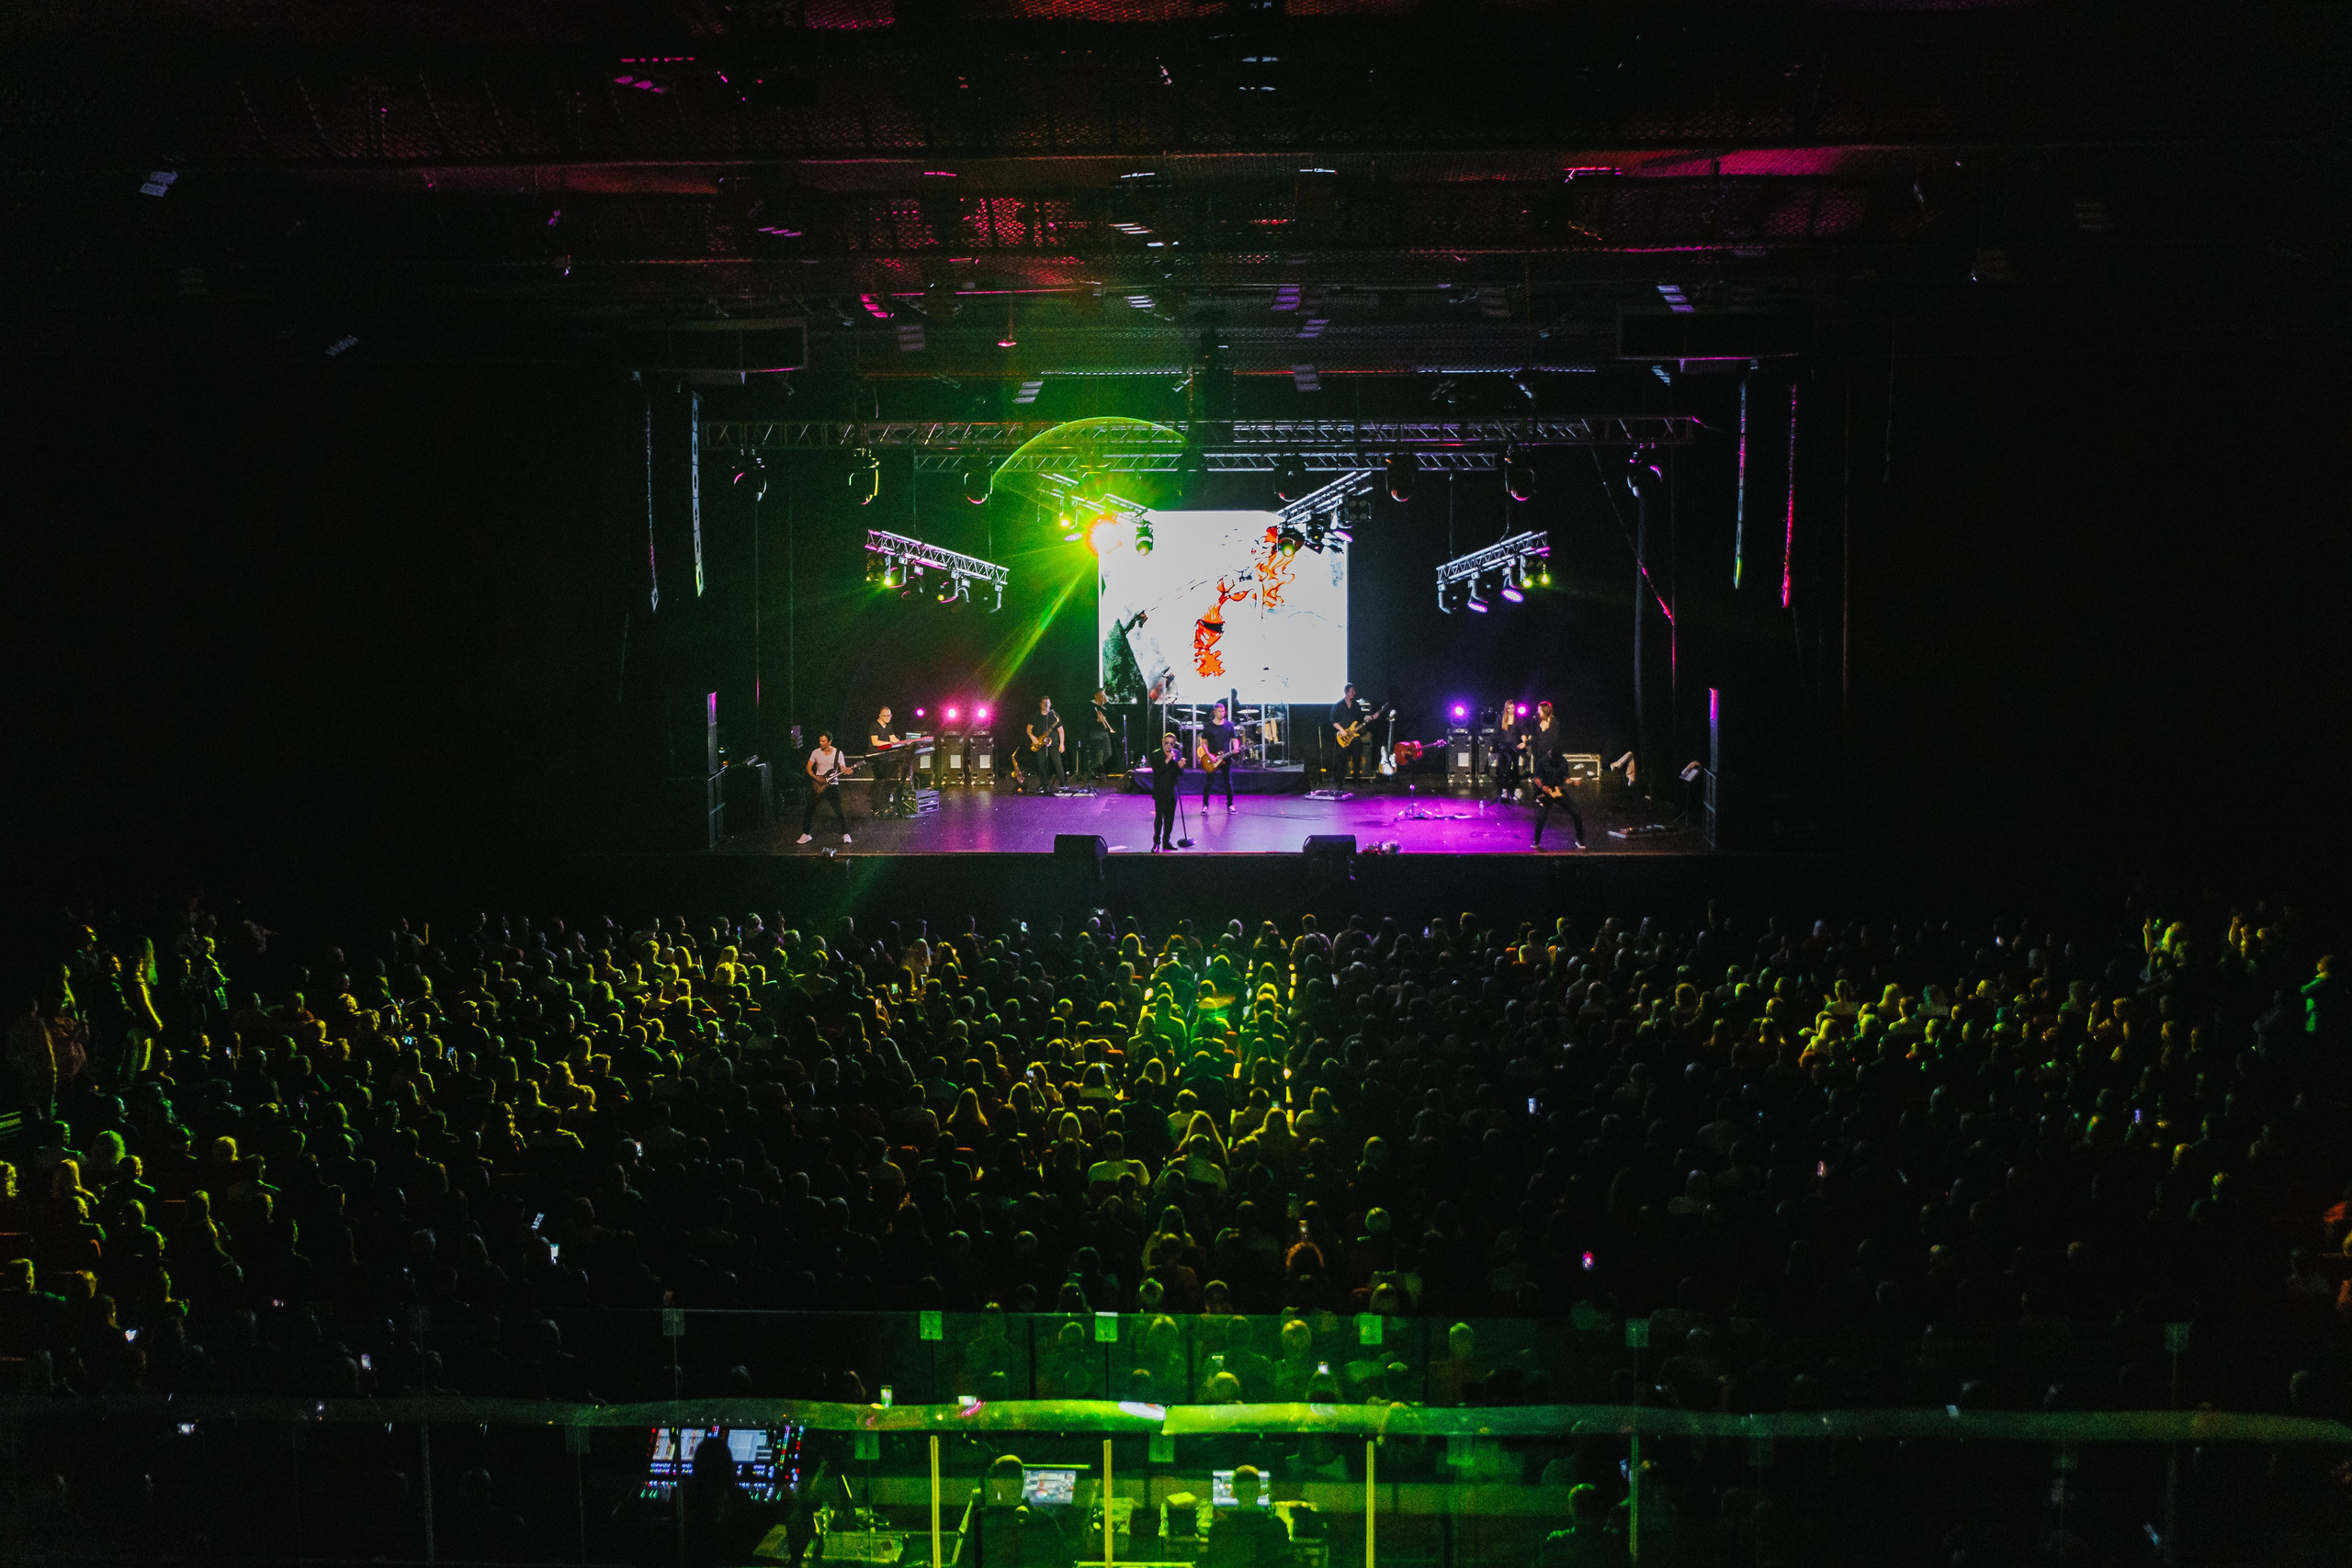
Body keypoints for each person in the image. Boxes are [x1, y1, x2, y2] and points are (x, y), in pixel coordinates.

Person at [953, 1454, 1072, 1568]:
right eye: (1006, 1480)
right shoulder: (1043, 1520)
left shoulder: (984, 1520)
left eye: (1014, 1479)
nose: (1012, 1485)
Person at [1203, 1465, 1290, 1568]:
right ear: (1261, 1492)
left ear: (1232, 1494)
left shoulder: (1218, 1527)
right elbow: (1286, 1561)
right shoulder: (1276, 1525)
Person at [798, 732, 854, 844]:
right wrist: (815, 778)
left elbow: (842, 767)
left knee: (839, 810)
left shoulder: (838, 753)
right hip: (818, 786)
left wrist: (847, 771)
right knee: (809, 809)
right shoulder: (816, 752)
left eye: (823, 741)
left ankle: (846, 834)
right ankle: (806, 834)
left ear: (829, 742)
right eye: (820, 741)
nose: (821, 743)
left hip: (832, 785)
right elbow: (808, 768)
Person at [1531, 748, 1584, 851]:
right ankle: (1536, 842)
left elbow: (1566, 779)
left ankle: (1580, 840)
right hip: (1546, 793)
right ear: (1549, 754)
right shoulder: (1542, 762)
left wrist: (1573, 783)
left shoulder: (1563, 761)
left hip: (1559, 791)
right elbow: (1536, 778)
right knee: (1541, 817)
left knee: (1576, 813)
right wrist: (1542, 786)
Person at [1148, 732, 1187, 852]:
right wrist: (1168, 759)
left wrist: (1180, 766)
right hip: (1161, 790)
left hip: (1172, 789)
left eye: (1171, 744)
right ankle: (1156, 842)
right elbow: (1157, 771)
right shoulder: (1156, 754)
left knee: (1170, 818)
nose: (1169, 746)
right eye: (1167, 743)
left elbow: (1179, 773)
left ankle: (1166, 841)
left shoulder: (1177, 753)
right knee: (1159, 817)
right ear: (1162, 742)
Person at [1200, 702, 1241, 811]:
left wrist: (1236, 747)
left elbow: (1234, 739)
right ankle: (1205, 805)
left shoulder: (1229, 725)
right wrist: (1209, 755)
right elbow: (1203, 743)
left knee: (1228, 782)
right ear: (1214, 712)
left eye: (1223, 711)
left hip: (1226, 758)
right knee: (1208, 783)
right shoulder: (1208, 726)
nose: (1221, 714)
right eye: (1219, 711)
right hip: (1212, 759)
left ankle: (1230, 805)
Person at [866, 705, 903, 812]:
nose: (888, 718)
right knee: (881, 779)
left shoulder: (889, 725)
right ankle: (876, 805)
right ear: (880, 715)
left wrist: (903, 744)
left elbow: (893, 738)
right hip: (875, 756)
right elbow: (875, 742)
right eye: (885, 716)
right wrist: (889, 743)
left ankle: (884, 802)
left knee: (888, 779)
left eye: (889, 716)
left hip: (885, 756)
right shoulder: (874, 725)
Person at [1025, 697, 1066, 792]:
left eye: (1047, 703)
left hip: (1053, 742)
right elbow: (1028, 729)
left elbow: (1061, 730)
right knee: (1041, 764)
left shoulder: (1054, 715)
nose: (1045, 705)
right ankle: (1044, 785)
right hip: (1040, 742)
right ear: (1040, 704)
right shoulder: (1035, 716)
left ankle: (1063, 784)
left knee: (1058, 763)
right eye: (1043, 703)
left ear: (1050, 704)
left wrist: (1062, 744)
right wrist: (1033, 738)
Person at [1329, 684, 1366, 781]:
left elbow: (1361, 717)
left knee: (1357, 758)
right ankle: (1340, 781)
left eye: (1354, 691)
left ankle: (1356, 781)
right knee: (1341, 759)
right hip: (1343, 736)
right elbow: (1332, 720)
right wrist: (1341, 729)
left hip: (1354, 736)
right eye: (1352, 691)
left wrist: (1368, 717)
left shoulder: (1356, 706)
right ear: (1346, 692)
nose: (1354, 693)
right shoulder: (1338, 706)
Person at [1081, 690, 1116, 783]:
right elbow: (1087, 721)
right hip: (1095, 733)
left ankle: (1090, 768)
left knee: (1108, 753)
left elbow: (1114, 715)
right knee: (1099, 755)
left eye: (1104, 695)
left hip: (1105, 732)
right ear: (1096, 696)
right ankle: (1099, 773)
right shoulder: (1091, 706)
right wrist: (1097, 720)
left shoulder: (1104, 706)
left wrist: (1107, 702)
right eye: (1101, 695)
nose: (1103, 697)